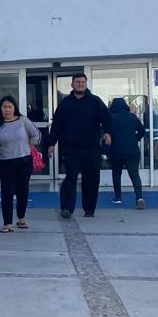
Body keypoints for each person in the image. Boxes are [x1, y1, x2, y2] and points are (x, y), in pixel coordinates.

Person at [46, 73, 111, 219]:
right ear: (72, 84)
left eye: (83, 82)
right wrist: (51, 143)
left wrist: (107, 133)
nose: (80, 84)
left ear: (86, 84)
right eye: (77, 82)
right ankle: (67, 208)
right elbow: (57, 125)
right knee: (70, 178)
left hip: (91, 148)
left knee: (91, 179)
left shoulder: (95, 101)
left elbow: (107, 119)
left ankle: (89, 209)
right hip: (71, 149)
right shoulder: (65, 103)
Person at [0, 95, 39, 232]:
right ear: (0, 109)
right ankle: (7, 224)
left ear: (14, 108)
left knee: (22, 190)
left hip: (24, 161)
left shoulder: (23, 120)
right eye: (4, 107)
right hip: (4, 162)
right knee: (7, 192)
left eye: (9, 107)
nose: (7, 110)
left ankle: (21, 218)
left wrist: (31, 146)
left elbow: (36, 134)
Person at [107, 97, 148, 209]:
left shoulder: (112, 118)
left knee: (116, 173)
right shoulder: (133, 117)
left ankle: (118, 197)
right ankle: (139, 198)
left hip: (116, 150)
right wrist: (135, 139)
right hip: (132, 150)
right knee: (135, 175)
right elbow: (142, 131)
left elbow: (108, 133)